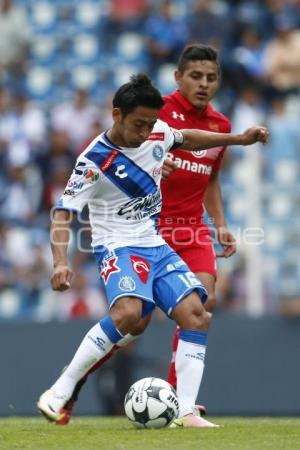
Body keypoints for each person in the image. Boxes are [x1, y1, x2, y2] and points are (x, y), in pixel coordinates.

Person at [37, 74, 268, 427]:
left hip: (154, 243)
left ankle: (187, 411)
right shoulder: (94, 160)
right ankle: (60, 390)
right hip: (118, 245)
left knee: (197, 311)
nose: (146, 132)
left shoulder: (157, 131)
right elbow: (63, 213)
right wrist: (59, 263)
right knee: (130, 314)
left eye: (150, 124)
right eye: (138, 124)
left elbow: (187, 137)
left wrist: (237, 139)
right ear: (117, 115)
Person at [158, 44, 236, 390]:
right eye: (196, 76)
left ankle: (179, 397)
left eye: (211, 77)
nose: (204, 83)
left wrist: (220, 224)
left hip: (192, 229)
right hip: (150, 226)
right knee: (132, 321)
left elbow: (211, 179)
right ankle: (70, 384)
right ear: (178, 77)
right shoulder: (157, 111)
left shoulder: (221, 125)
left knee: (204, 302)